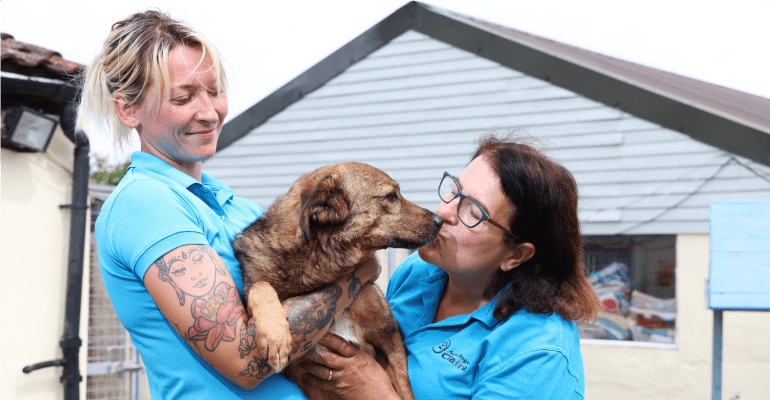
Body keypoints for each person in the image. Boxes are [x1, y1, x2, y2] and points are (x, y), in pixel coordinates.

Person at [77, 10, 379, 399]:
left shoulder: (240, 208)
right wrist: (355, 276)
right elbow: (247, 359)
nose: (209, 112)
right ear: (127, 109)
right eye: (183, 97)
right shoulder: (145, 202)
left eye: (215, 91)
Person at [300, 134, 602, 399]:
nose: (443, 212)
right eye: (454, 190)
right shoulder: (417, 272)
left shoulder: (538, 352)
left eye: (472, 211)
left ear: (516, 255)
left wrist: (371, 390)